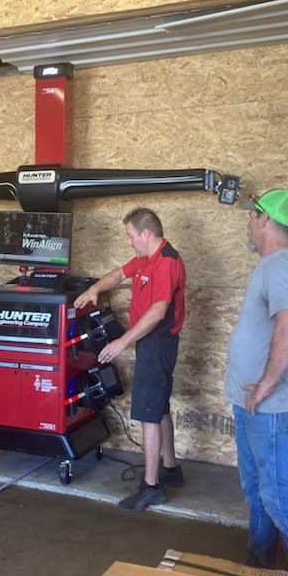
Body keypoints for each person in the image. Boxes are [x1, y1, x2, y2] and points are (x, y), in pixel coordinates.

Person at [225, 188, 288, 574]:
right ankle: (257, 571)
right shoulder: (270, 266)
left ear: (264, 219)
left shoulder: (279, 266)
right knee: (260, 494)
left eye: (252, 215)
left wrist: (265, 384)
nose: (248, 222)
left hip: (271, 409)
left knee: (280, 499)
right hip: (254, 406)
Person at [74, 207, 186, 512]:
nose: (129, 241)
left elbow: (158, 312)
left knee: (149, 413)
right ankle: (170, 468)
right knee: (159, 407)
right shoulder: (147, 258)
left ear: (146, 234)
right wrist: (95, 289)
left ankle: (151, 487)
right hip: (150, 342)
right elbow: (119, 274)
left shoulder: (166, 262)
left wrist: (122, 342)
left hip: (158, 343)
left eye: (131, 236)